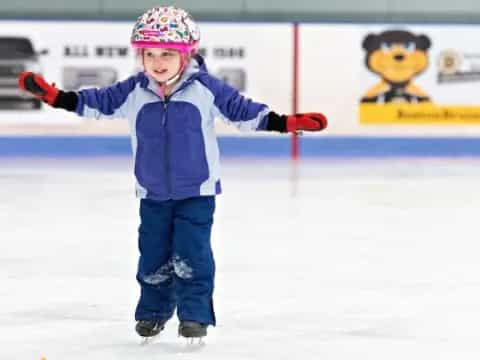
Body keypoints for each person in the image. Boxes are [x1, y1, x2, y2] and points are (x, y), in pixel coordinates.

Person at [18, 5, 328, 340]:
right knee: (152, 255)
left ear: (186, 54)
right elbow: (97, 102)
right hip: (152, 193)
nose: (157, 62)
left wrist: (286, 123)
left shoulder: (206, 88)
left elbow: (243, 112)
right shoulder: (134, 90)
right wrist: (55, 96)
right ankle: (152, 312)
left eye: (167, 53)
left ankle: (195, 315)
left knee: (192, 254)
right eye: (149, 54)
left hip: (196, 192)